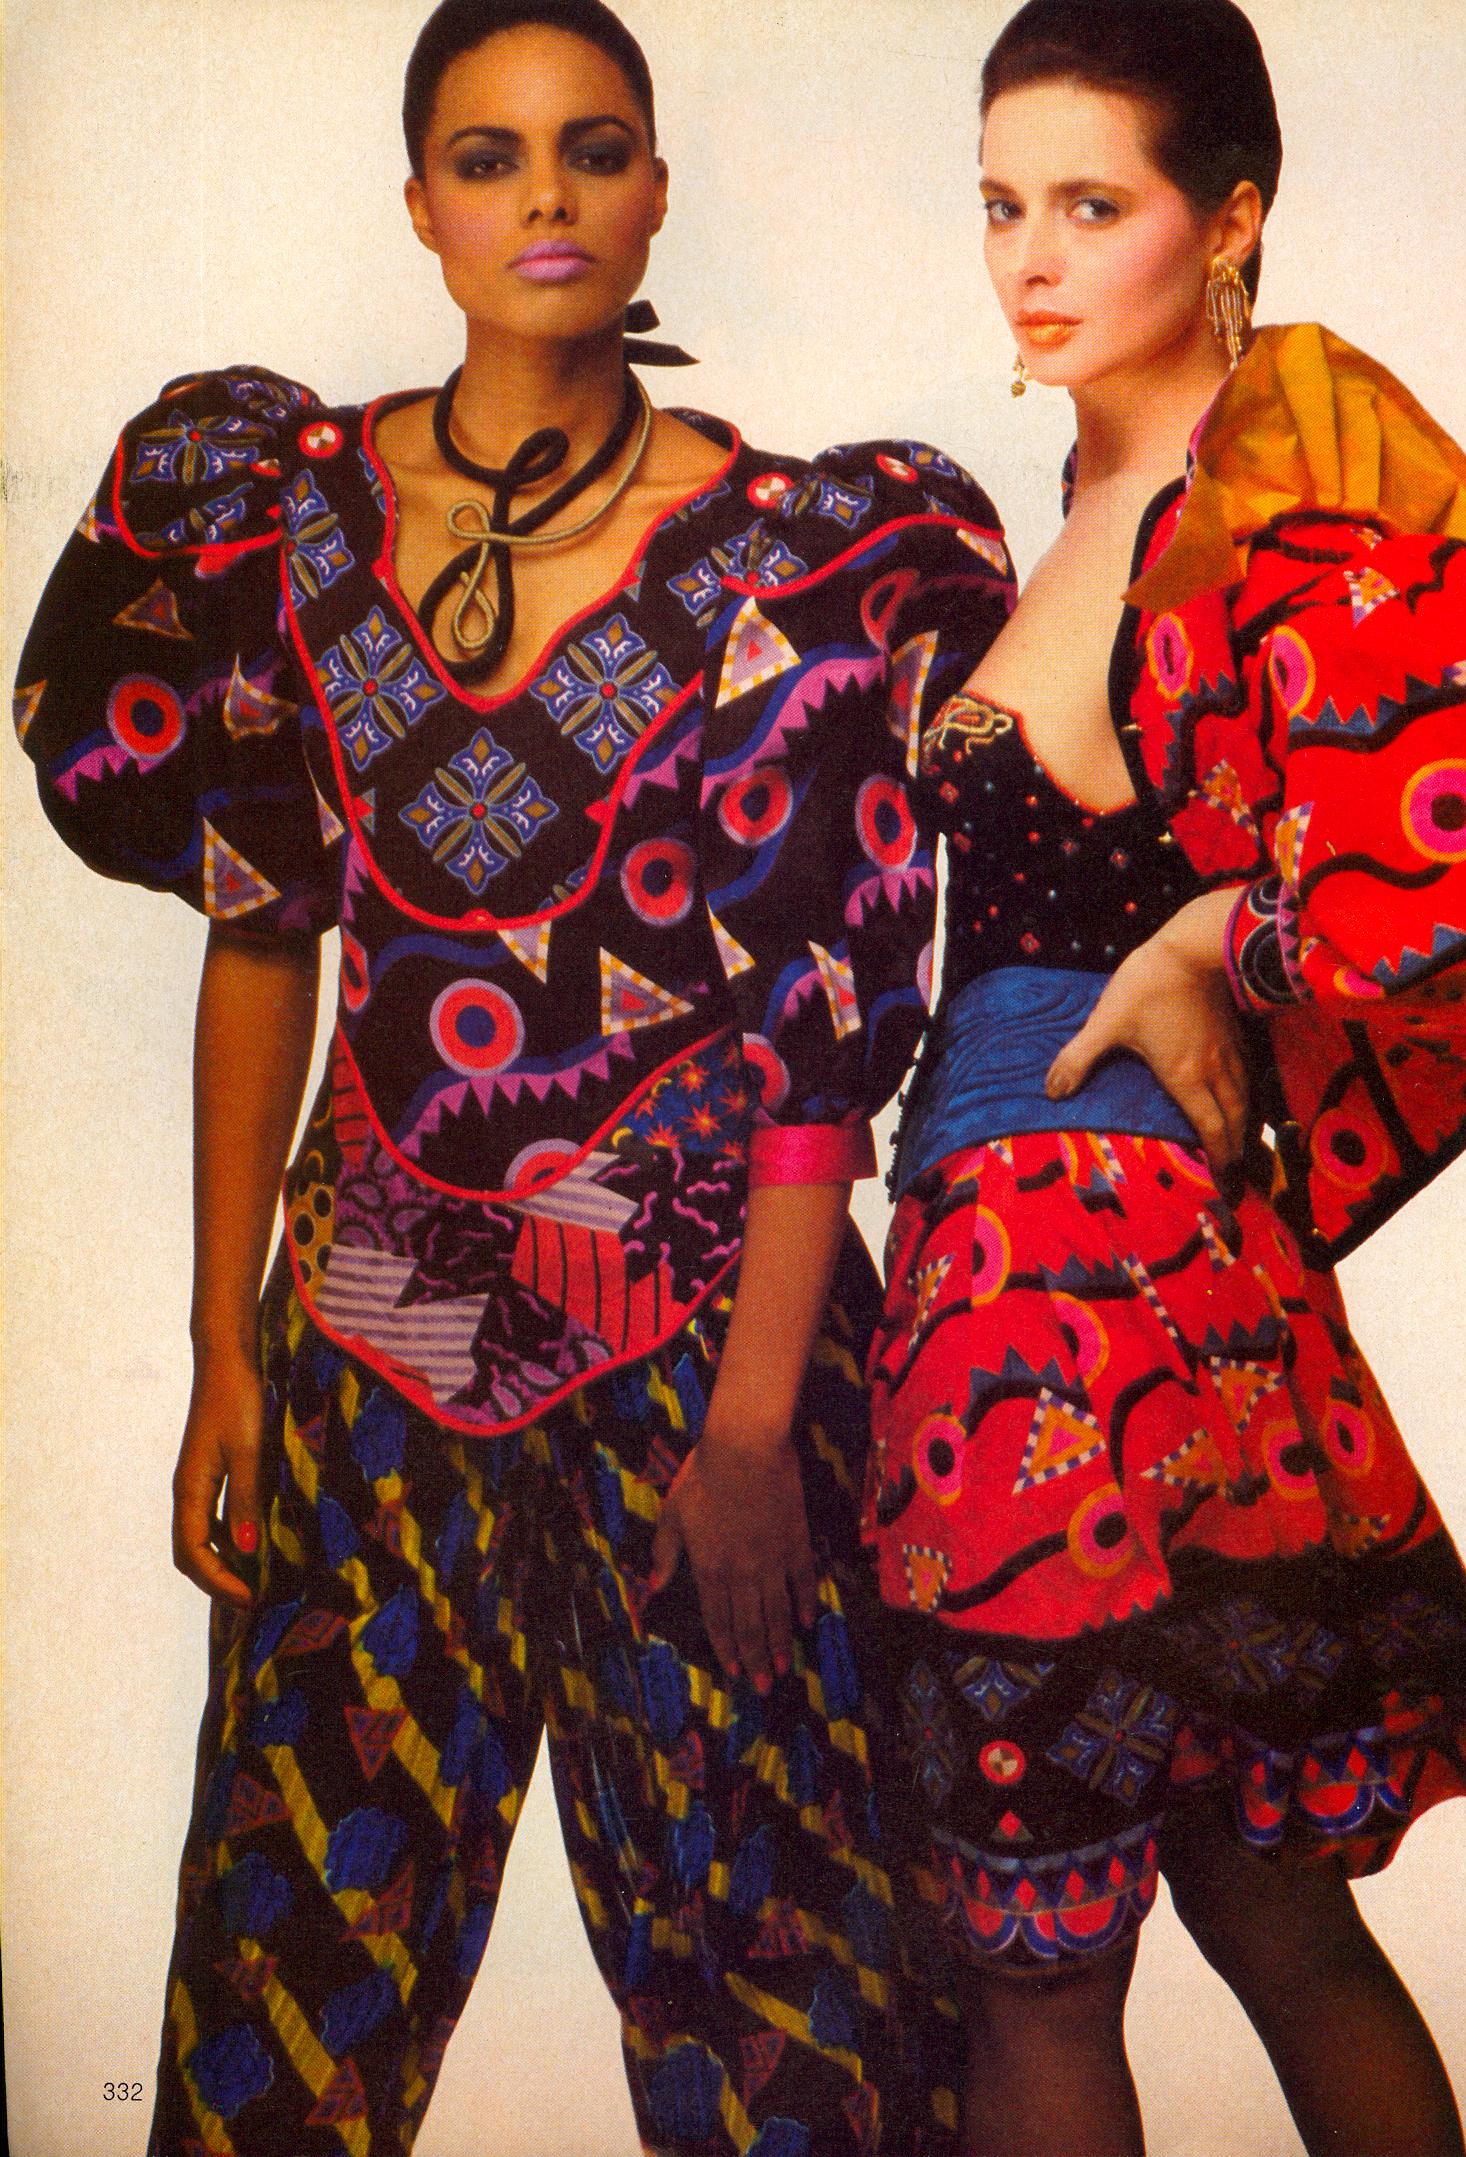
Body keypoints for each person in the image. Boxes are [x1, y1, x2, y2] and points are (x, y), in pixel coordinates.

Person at [12, 2, 1013, 2150]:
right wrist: (221, 1346)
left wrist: (752, 1429)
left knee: (790, 2019)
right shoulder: (282, 515)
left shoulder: (800, 553)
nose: (543, 196)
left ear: (652, 193)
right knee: (287, 1998)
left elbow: (819, 1038)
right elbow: (261, 926)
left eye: (591, 148)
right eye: (488, 157)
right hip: (371, 1335)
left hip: (711, 1347)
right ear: (420, 205)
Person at [862, 4, 1466, 2154]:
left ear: (1230, 220)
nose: (1030, 256)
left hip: (1050, 1302)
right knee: (1263, 1915)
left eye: (1092, 204)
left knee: (1036, 1977)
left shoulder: (1267, 485)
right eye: (1002, 203)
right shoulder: (1082, 502)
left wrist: (1222, 939)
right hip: (1141, 1291)